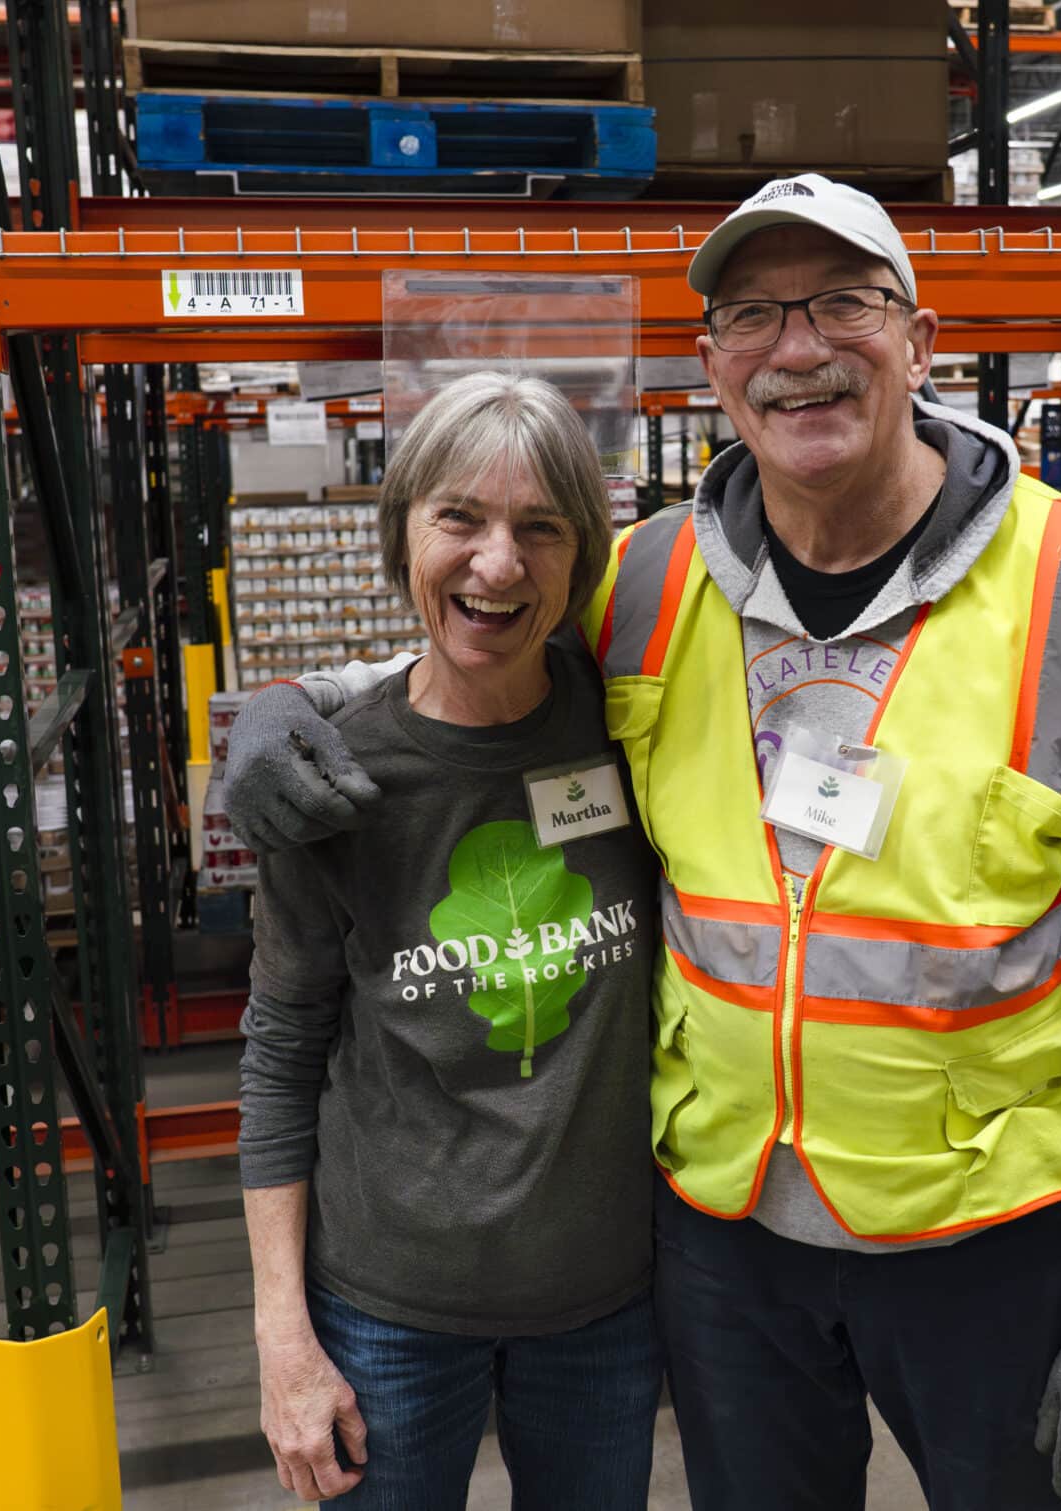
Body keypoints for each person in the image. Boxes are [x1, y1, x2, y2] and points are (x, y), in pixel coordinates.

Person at [227, 175, 1061, 1509]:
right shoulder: (650, 579)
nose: (800, 346)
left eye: (845, 303)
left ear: (920, 340)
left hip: (989, 1245)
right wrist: (293, 701)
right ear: (713, 366)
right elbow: (480, 625)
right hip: (729, 1239)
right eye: (754, 314)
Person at [237, 370, 663, 1508]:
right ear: (403, 533)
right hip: (386, 1316)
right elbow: (280, 1057)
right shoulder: (327, 782)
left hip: (606, 1308)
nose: (498, 563)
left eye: (540, 528)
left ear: (581, 561)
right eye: (459, 518)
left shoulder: (638, 721)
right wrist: (285, 1341)